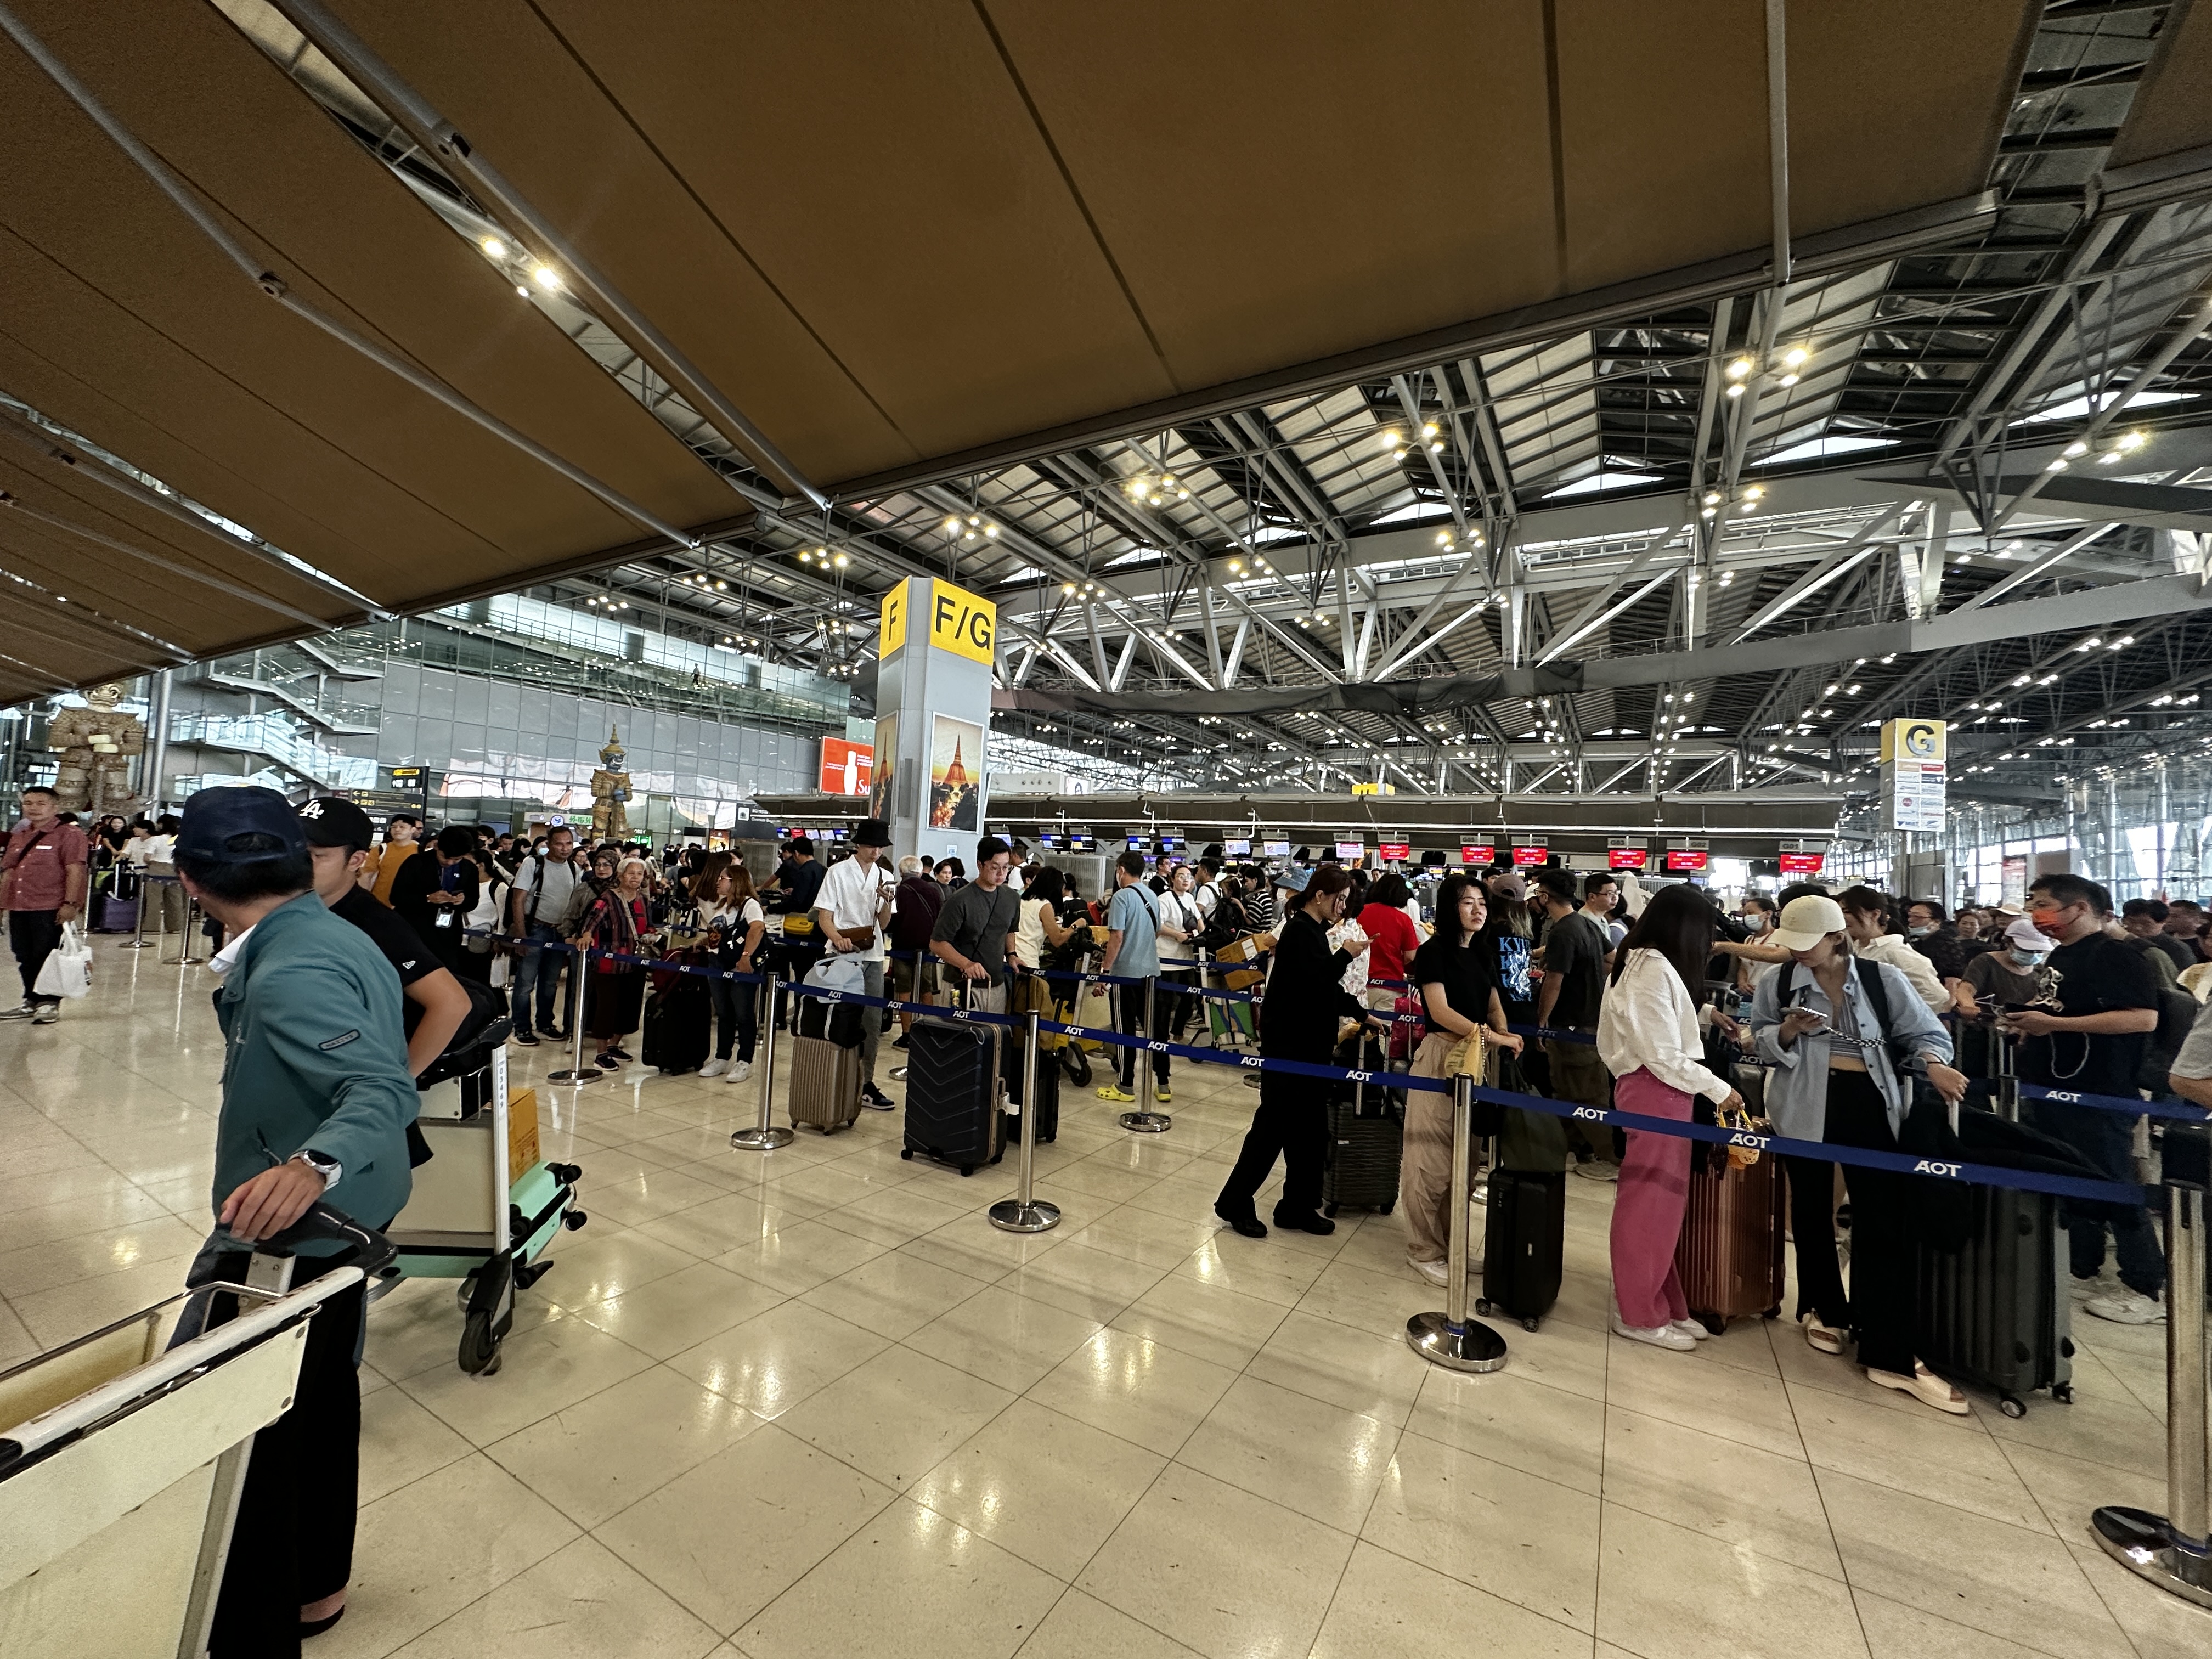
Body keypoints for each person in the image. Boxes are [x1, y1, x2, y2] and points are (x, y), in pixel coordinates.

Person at [173, 786, 417, 1649]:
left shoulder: (291, 970)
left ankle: (257, 1618)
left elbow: (379, 1086)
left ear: (189, 880)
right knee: (320, 1401)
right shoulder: (335, 935)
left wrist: (314, 1163)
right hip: (349, 1218)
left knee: (257, 1432)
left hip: (294, 1231)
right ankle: (319, 1584)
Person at [1752, 894, 1971, 1408]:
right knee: (1810, 1211)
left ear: (1837, 937)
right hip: (1802, 1102)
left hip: (1870, 1103)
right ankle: (1823, 1309)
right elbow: (1758, 1041)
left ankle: (1884, 1338)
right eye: (1793, 943)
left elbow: (1926, 1032)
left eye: (1809, 943)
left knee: (1882, 1217)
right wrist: (1787, 1030)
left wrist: (1934, 1062)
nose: (1800, 952)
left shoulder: (1880, 979)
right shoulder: (1778, 982)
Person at [2002, 873, 2168, 1324]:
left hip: (2098, 1090)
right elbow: (2060, 1008)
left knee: (2113, 1182)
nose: (2036, 913)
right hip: (2054, 1083)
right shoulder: (2061, 954)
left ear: (2079, 908)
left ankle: (2147, 1285)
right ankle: (2083, 1264)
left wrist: (2055, 1026)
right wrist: (2029, 1022)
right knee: (2069, 1174)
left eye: (2044, 904)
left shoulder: (2116, 955)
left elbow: (2143, 1019)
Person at [1596, 884, 1743, 1352]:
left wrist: (1707, 1013)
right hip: (1655, 1088)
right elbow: (1659, 1052)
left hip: (1664, 1090)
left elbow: (1662, 1017)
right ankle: (1639, 1313)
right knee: (1649, 1205)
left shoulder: (1646, 961)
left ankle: (1661, 1301)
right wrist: (1719, 1089)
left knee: (1664, 1205)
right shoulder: (1650, 966)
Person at [1215, 864, 1375, 1239]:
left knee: (1311, 1133)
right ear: (1319, 895)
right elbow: (1316, 981)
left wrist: (1361, 1013)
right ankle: (1234, 1202)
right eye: (1339, 899)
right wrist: (1346, 955)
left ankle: (1298, 1205)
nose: (1343, 907)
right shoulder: (1300, 931)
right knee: (1271, 1130)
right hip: (1290, 1049)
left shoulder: (1313, 932)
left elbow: (1325, 988)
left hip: (1309, 1049)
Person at [298, 798, 476, 1079]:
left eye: (316, 855)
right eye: (292, 850)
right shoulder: (296, 910)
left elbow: (452, 1003)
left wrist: (396, 1083)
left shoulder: (371, 923)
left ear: (356, 860)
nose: (296, 864)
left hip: (348, 1079)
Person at [1402, 873, 1524, 1280]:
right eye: (1468, 902)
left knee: (1465, 1162)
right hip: (1441, 1055)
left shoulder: (1482, 952)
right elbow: (1439, 1012)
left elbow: (1493, 1002)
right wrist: (1493, 1037)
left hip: (1477, 1059)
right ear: (1449, 907)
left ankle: (1451, 1244)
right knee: (1431, 1160)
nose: (1478, 910)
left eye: (1483, 903)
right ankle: (1423, 1249)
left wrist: (1501, 1032)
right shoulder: (1432, 952)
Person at [1532, 867, 1618, 1179]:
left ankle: (1606, 1157)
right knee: (1571, 1090)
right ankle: (1573, 1149)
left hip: (1570, 1024)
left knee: (1584, 1092)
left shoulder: (1562, 932)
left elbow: (1554, 982)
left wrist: (1542, 1020)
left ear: (1545, 897)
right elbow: (1613, 959)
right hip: (1591, 1021)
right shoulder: (1587, 925)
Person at [816, 818, 899, 1108]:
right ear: (859, 845)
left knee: (872, 1022)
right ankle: (834, 1076)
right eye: (871, 846)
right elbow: (825, 917)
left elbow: (884, 924)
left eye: (880, 847)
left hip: (873, 955)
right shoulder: (837, 872)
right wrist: (837, 938)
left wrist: (887, 901)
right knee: (840, 1017)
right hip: (841, 953)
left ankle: (866, 1081)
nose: (876, 852)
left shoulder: (885, 876)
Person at [0, 784, 89, 1023]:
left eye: (41, 804)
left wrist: (70, 903)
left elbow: (75, 870)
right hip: (19, 905)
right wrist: (2, 904)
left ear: (55, 807)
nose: (34, 808)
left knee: (47, 955)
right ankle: (30, 1000)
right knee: (23, 954)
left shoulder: (69, 834)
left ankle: (49, 1003)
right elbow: (9, 871)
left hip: (49, 906)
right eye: (28, 803)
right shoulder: (20, 834)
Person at [1096, 850, 1167, 1105]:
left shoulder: (1121, 897)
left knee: (1124, 1030)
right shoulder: (1152, 896)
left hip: (1125, 974)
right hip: (1152, 971)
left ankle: (1125, 1085)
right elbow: (1157, 931)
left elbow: (1116, 937)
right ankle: (1164, 1084)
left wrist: (1105, 972)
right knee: (1156, 1030)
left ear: (1121, 870)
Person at [929, 834, 1023, 1024]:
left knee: (992, 1036)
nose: (1001, 873)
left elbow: (1009, 929)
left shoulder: (1012, 898)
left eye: (1006, 867)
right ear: (980, 865)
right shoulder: (959, 900)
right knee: (959, 1037)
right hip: (961, 985)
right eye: (995, 867)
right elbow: (937, 944)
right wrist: (966, 964)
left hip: (995, 985)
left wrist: (1011, 954)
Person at [1949, 915, 2055, 1079]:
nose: (2033, 955)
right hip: (1984, 1034)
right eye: (2027, 950)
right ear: (2008, 943)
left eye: (2037, 951)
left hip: (2019, 1036)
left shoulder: (2040, 970)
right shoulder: (1986, 961)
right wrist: (1968, 1005)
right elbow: (1967, 987)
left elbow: (2040, 997)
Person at [506, 825, 581, 1048]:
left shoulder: (574, 868)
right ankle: (521, 1027)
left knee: (550, 982)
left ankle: (545, 1024)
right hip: (535, 929)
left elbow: (575, 901)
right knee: (525, 982)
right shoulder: (533, 864)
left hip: (560, 932)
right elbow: (518, 899)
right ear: (548, 844)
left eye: (569, 844)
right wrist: (521, 935)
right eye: (559, 844)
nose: (565, 848)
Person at [578, 857, 653, 1069]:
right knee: (606, 1008)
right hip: (609, 964)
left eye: (639, 873)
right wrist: (586, 935)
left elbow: (648, 926)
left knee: (629, 1007)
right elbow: (591, 922)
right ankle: (601, 1053)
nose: (636, 877)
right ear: (620, 876)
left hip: (635, 962)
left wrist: (653, 935)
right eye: (631, 873)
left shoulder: (643, 900)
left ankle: (614, 1045)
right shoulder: (608, 898)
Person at [1835, 885, 1948, 1013]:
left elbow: (1936, 996)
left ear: (1875, 914)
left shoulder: (1894, 951)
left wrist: (1896, 1018)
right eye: (1840, 913)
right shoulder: (1855, 948)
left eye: (1848, 912)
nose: (1842, 918)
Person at [700, 861, 764, 1081]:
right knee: (724, 1013)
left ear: (735, 881)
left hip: (738, 965)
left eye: (723, 879)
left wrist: (746, 956)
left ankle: (745, 1060)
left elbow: (757, 928)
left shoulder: (750, 905)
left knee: (743, 1013)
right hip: (717, 963)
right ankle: (722, 1057)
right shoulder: (722, 905)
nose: (718, 882)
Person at [387, 825, 481, 975]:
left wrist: (462, 901)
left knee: (446, 973)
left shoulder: (469, 869)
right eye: (445, 858)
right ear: (436, 846)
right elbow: (396, 897)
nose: (450, 863)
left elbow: (473, 901)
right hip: (414, 931)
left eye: (456, 860)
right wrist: (428, 899)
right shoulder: (416, 862)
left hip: (448, 935)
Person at [889, 852, 945, 1043]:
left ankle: (906, 1034)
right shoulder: (933, 891)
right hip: (927, 948)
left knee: (904, 990)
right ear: (920, 873)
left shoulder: (898, 892)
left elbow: (891, 922)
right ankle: (928, 1031)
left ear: (901, 872)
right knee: (925, 989)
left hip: (902, 947)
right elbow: (940, 918)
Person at [1154, 863, 1206, 1039]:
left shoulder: (1190, 898)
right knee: (1166, 1001)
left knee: (1190, 996)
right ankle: (1161, 1038)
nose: (1185, 880)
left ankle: (1178, 1029)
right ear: (1172, 879)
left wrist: (1203, 936)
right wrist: (1177, 935)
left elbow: (1199, 921)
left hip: (1186, 957)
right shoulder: (1164, 899)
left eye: (1189, 877)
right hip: (1168, 958)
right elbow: (1158, 925)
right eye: (1181, 876)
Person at [1357, 873, 1422, 1005]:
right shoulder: (1404, 920)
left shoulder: (1360, 912)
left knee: (1356, 1019)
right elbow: (1410, 956)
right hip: (1390, 984)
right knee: (1385, 1019)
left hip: (1360, 981)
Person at [2122, 899, 2197, 977]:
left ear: (2163, 922)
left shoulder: (2178, 949)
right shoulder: (2121, 941)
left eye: (2146, 924)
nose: (2138, 928)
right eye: (2132, 922)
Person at [357, 814, 419, 905]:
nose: (397, 829)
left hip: (408, 905)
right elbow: (367, 876)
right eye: (394, 827)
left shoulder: (421, 851)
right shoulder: (381, 850)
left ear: (413, 829)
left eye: (402, 827)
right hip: (380, 902)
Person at [2163, 898, 2210, 964]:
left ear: (2196, 919)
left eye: (2175, 917)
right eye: (2168, 916)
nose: (2169, 920)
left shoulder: (2205, 943)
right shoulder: (2163, 938)